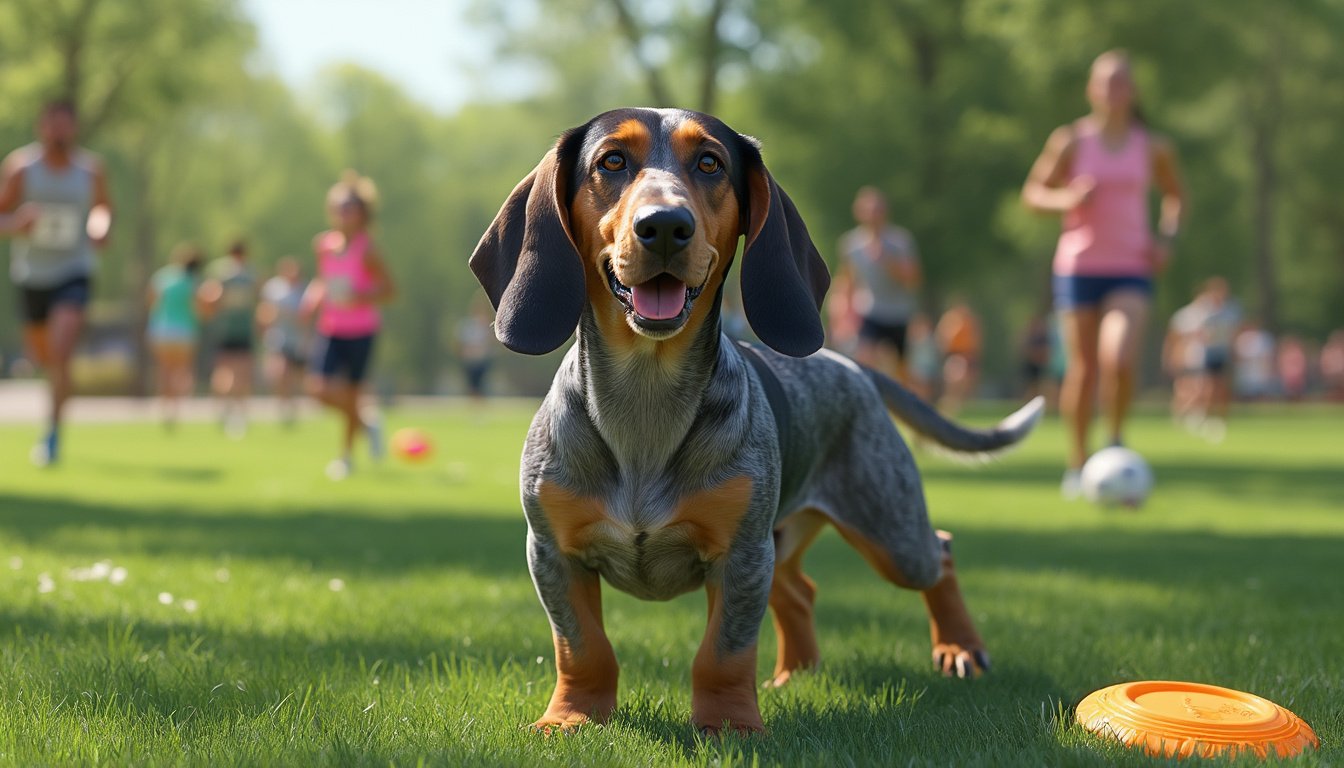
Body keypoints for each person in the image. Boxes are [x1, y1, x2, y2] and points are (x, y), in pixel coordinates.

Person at [1021, 50, 1185, 498]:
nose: (1114, 91)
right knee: (1083, 370)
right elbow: (1033, 193)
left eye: (1122, 83)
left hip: (1131, 265)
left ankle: (1114, 442)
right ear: (1092, 90)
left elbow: (1176, 196)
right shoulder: (1071, 141)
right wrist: (1067, 198)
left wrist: (1166, 240)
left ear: (1133, 91)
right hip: (1079, 266)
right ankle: (1077, 464)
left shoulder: (1152, 146)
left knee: (1119, 358)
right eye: (1106, 83)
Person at [0, 99, 113, 466]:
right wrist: (16, 224)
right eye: (53, 124)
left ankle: (52, 432)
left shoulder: (91, 170)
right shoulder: (21, 167)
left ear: (74, 129)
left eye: (66, 124)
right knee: (45, 357)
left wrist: (99, 227)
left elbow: (102, 208)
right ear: (42, 127)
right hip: (32, 274)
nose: (59, 132)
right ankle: (56, 394)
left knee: (61, 351)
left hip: (74, 269)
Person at [302, 171, 395, 480]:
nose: (342, 213)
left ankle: (345, 458)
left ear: (361, 214)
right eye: (338, 207)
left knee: (353, 394)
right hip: (331, 327)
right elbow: (323, 280)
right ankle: (368, 423)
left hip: (362, 330)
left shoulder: (368, 250)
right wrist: (312, 299)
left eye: (348, 208)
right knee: (318, 389)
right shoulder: (324, 246)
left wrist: (360, 296)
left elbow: (389, 290)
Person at [833, 186, 922, 382]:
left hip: (898, 312)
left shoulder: (900, 241)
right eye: (869, 211)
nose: (873, 216)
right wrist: (841, 316)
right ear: (859, 213)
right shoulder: (851, 244)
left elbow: (913, 280)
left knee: (902, 371)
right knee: (864, 360)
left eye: (877, 210)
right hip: (871, 310)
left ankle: (903, 399)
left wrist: (889, 262)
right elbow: (847, 280)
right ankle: (870, 397)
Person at [199, 240, 258, 438]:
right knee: (241, 372)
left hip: (224, 329)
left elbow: (209, 298)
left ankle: (223, 407)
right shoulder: (249, 274)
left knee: (223, 370)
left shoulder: (220, 272)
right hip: (241, 329)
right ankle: (237, 412)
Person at [146, 243, 204, 429]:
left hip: (162, 330)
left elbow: (152, 300)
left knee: (165, 371)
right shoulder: (193, 280)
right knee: (182, 371)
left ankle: (166, 409)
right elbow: (198, 307)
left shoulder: (163, 276)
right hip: (185, 331)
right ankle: (176, 407)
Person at [258, 255, 308, 426]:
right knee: (280, 373)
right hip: (278, 337)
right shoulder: (273, 289)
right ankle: (284, 406)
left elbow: (308, 315)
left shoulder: (304, 290)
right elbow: (264, 311)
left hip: (299, 339)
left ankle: (294, 405)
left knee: (299, 376)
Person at [935, 297, 982, 416]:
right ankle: (949, 404)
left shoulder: (970, 320)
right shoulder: (950, 319)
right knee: (954, 380)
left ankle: (962, 405)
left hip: (969, 355)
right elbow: (942, 338)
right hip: (955, 354)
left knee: (968, 383)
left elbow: (976, 339)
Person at [455, 297, 495, 404]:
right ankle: (474, 401)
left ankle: (478, 401)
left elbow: (490, 342)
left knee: (480, 382)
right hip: (470, 359)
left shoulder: (486, 326)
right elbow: (462, 343)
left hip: (482, 359)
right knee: (472, 383)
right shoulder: (468, 325)